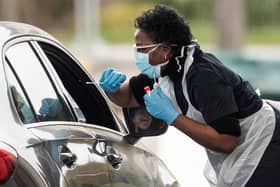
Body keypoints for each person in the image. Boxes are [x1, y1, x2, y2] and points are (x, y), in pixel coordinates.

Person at [99, 4, 280, 187]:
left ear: (165, 50)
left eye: (142, 49)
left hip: (265, 139)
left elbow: (226, 140)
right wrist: (111, 89)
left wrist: (172, 117)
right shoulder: (163, 72)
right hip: (240, 151)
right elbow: (128, 97)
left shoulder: (203, 76)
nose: (137, 55)